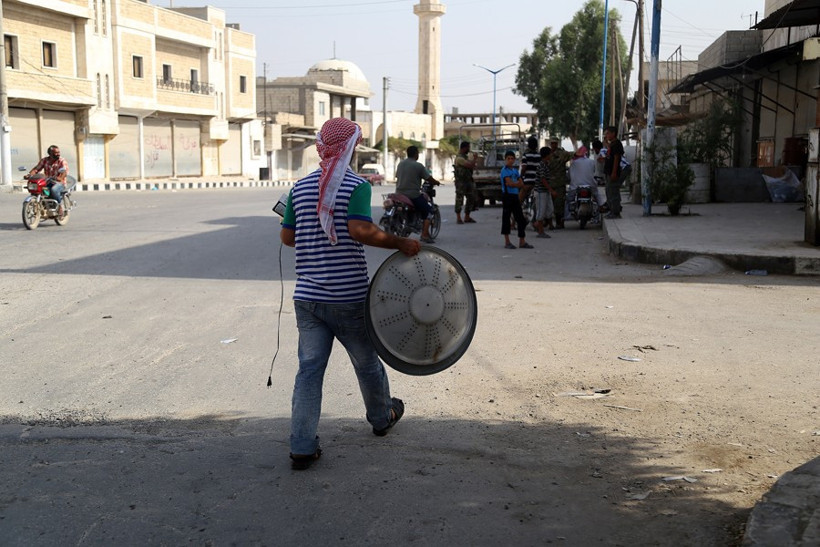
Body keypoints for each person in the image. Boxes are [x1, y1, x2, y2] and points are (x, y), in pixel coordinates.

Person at [279, 117, 421, 470]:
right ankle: (380, 417)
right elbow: (359, 229)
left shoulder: (299, 188)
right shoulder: (356, 185)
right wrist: (397, 242)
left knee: (309, 371)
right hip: (348, 298)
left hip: (308, 299)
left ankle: (301, 444)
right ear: (350, 147)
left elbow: (287, 237)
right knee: (366, 363)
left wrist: (314, 232)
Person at [395, 145, 440, 243]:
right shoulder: (418, 166)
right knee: (429, 210)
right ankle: (424, 235)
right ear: (416, 154)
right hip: (412, 195)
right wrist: (436, 182)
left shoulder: (400, 164)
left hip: (399, 194)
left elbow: (397, 176)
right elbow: (428, 178)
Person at [500, 150, 533, 250]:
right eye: (508, 158)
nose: (510, 160)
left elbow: (521, 183)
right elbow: (509, 183)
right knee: (506, 219)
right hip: (507, 196)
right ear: (505, 159)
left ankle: (522, 241)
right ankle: (507, 242)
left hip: (515, 196)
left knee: (521, 219)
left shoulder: (514, 171)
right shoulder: (504, 170)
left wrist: (515, 184)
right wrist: (516, 184)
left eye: (512, 158)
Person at [567, 145, 601, 218]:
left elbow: (569, 175)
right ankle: (601, 209)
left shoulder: (573, 163)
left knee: (568, 200)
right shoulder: (591, 162)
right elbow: (594, 173)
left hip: (575, 186)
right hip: (590, 185)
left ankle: (566, 216)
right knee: (597, 196)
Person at [546, 143, 574, 229]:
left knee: (559, 204)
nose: (553, 145)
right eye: (552, 143)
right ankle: (548, 223)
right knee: (548, 204)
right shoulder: (547, 153)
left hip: (559, 183)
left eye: (555, 143)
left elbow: (573, 154)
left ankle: (560, 222)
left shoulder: (562, 153)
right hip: (549, 183)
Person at [533, 146, 556, 237]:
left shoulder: (545, 164)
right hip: (540, 191)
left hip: (545, 191)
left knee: (549, 209)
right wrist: (551, 190)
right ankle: (540, 231)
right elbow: (543, 179)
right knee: (541, 211)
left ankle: (537, 225)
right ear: (547, 155)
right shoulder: (542, 165)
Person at [603, 126, 626, 219]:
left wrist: (614, 172)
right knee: (609, 191)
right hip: (608, 172)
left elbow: (616, 158)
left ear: (613, 133)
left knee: (613, 192)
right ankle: (612, 210)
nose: (606, 135)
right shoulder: (612, 144)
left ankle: (616, 212)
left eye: (608, 133)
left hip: (613, 172)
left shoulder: (617, 144)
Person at [453, 141, 477, 224]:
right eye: (468, 147)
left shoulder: (465, 157)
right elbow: (470, 165)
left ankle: (467, 217)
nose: (469, 149)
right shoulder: (459, 158)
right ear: (464, 148)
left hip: (468, 181)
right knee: (459, 199)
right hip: (461, 182)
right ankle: (459, 218)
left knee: (471, 198)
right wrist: (475, 159)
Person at [519, 136, 540, 204]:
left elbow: (524, 168)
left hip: (528, 181)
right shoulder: (539, 155)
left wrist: (521, 176)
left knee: (520, 198)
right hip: (537, 182)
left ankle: (516, 211)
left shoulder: (526, 155)